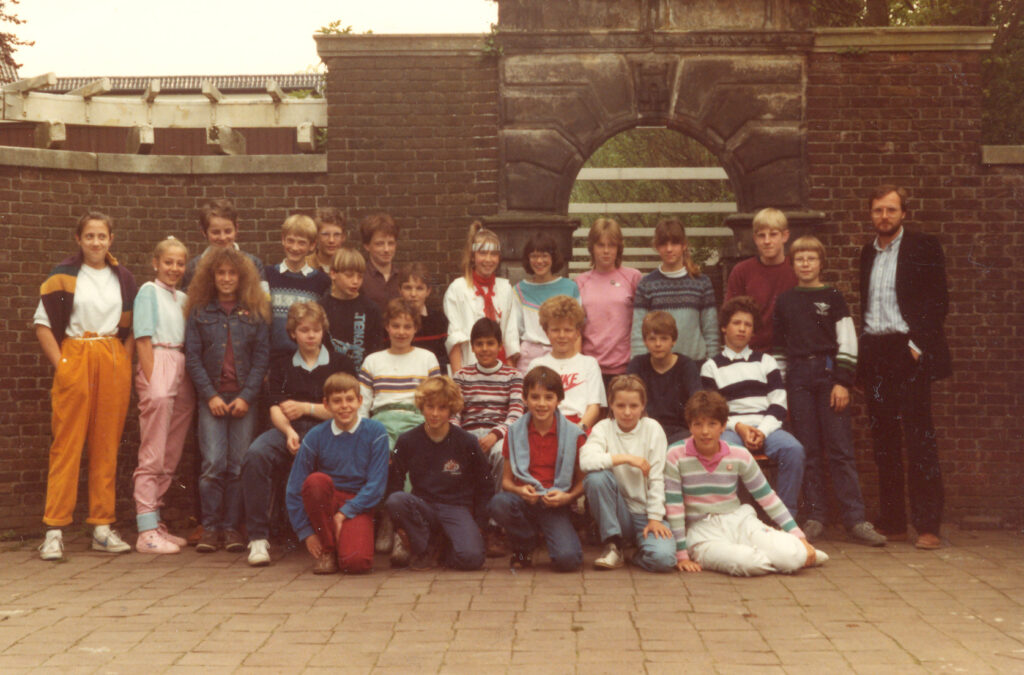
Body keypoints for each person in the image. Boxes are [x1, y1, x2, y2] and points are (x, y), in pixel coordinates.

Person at [34, 212, 137, 560]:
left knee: (106, 444)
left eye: (102, 236)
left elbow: (133, 328)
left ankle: (102, 527)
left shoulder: (123, 278)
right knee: (66, 443)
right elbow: (43, 325)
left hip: (110, 356)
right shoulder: (62, 276)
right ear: (78, 239)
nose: (96, 242)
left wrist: (123, 362)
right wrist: (62, 365)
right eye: (89, 236)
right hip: (76, 353)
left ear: (111, 239)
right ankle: (54, 530)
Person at [773, 236, 886, 547]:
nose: (806, 264)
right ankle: (816, 516)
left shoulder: (833, 297)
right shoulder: (785, 301)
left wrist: (842, 381)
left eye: (811, 258)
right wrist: (781, 391)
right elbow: (779, 348)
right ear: (792, 264)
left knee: (840, 449)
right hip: (797, 378)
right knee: (806, 449)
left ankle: (855, 519)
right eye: (800, 259)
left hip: (828, 375)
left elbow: (847, 339)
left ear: (821, 263)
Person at [858, 186, 950, 550]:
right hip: (876, 354)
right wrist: (864, 363)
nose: (884, 216)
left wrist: (915, 347)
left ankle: (927, 525)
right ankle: (894, 522)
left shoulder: (923, 247)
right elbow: (867, 306)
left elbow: (937, 301)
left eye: (891, 210)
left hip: (908, 352)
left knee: (919, 439)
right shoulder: (867, 253)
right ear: (871, 214)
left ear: (904, 214)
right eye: (878, 210)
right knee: (884, 441)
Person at [240, 302, 355, 566]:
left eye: (316, 330)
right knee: (256, 455)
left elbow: (344, 410)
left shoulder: (340, 363)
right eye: (304, 330)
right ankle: (258, 538)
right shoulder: (281, 365)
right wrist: (289, 431)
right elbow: (275, 407)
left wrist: (306, 408)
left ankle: (331, 534)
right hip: (288, 429)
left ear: (323, 331)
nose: (311, 335)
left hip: (328, 431)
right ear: (293, 333)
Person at [665, 391, 825, 576]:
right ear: (690, 426)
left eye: (712, 424)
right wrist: (682, 555)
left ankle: (791, 552)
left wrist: (798, 535)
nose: (705, 431)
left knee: (791, 558)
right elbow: (674, 507)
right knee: (749, 563)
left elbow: (767, 497)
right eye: (698, 424)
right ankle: (785, 554)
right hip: (702, 531)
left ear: (723, 426)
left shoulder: (739, 454)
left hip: (738, 521)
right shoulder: (675, 454)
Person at [185, 247, 270, 554]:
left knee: (237, 466)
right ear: (211, 277)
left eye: (232, 273)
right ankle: (210, 528)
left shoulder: (255, 312)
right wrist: (210, 396)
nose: (226, 278)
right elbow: (192, 357)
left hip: (243, 400)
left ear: (242, 277)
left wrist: (247, 397)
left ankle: (232, 527)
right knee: (212, 464)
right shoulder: (199, 311)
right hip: (213, 399)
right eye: (220, 273)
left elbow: (261, 358)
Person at [700, 296, 805, 516]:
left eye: (747, 325)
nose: (742, 329)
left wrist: (762, 431)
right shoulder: (711, 367)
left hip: (766, 426)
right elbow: (713, 411)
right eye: (736, 323)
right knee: (728, 451)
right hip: (731, 428)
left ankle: (785, 518)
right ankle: (737, 517)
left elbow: (778, 404)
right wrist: (739, 427)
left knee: (793, 450)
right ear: (724, 327)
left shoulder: (766, 361)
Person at [286, 373, 389, 574]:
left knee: (356, 563)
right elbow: (295, 487)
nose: (344, 406)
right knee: (316, 481)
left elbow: (376, 485)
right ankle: (328, 550)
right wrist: (306, 533)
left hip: (358, 503)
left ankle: (343, 543)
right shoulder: (316, 436)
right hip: (328, 501)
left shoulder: (376, 432)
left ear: (360, 401)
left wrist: (343, 514)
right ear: (326, 404)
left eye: (350, 399)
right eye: (337, 401)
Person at [386, 377, 491, 571]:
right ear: (421, 407)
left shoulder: (467, 441)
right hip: (423, 506)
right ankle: (424, 548)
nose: (435, 414)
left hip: (456, 507)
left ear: (451, 410)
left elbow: (485, 484)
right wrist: (399, 525)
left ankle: (445, 547)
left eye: (442, 408)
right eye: (430, 407)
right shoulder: (407, 441)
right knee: (396, 499)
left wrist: (480, 524)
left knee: (471, 559)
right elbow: (395, 482)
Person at [487, 366, 585, 572]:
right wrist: (520, 490)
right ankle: (524, 545)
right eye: (535, 397)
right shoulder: (514, 432)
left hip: (555, 503)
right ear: (525, 399)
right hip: (524, 501)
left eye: (549, 397)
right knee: (499, 503)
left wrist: (567, 498)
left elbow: (582, 481)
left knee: (568, 561)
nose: (541, 404)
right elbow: (506, 481)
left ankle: (554, 534)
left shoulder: (573, 434)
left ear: (559, 400)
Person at [132, 237, 195, 554]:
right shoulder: (148, 290)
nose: (174, 268)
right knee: (153, 451)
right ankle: (145, 530)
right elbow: (142, 338)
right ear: (156, 263)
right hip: (158, 360)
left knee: (170, 452)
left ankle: (155, 522)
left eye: (180, 263)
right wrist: (153, 379)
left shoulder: (183, 298)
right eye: (168, 262)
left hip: (181, 364)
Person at [579, 375, 676, 572]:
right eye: (620, 405)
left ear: (643, 405)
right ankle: (613, 544)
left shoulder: (652, 429)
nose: (627, 412)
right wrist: (625, 458)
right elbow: (586, 461)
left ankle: (634, 555)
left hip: (644, 513)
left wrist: (655, 518)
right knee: (596, 478)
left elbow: (657, 478)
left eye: (634, 406)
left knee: (664, 560)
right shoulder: (603, 428)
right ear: (611, 405)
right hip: (617, 512)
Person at [358, 298, 443, 450]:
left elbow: (437, 400)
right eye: (395, 326)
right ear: (387, 327)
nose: (401, 332)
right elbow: (362, 406)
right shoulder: (372, 361)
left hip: (417, 423)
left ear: (415, 328)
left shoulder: (427, 359)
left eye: (407, 327)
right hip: (381, 424)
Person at [631, 218, 718, 362]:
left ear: (684, 245)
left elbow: (711, 331)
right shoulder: (647, 285)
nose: (669, 249)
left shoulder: (702, 283)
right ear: (657, 247)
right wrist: (639, 366)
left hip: (696, 364)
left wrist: (712, 366)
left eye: (675, 243)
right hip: (658, 367)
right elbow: (638, 334)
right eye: (663, 244)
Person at [451, 318, 525, 487]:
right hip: (468, 435)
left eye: (490, 343)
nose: (484, 349)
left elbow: (515, 415)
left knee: (502, 453)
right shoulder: (462, 376)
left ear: (500, 346)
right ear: (472, 347)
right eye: (479, 344)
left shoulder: (513, 376)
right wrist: (462, 438)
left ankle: (496, 500)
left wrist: (495, 435)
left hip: (499, 435)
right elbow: (454, 413)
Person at [443, 221, 520, 372]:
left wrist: (512, 376)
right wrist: (459, 378)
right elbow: (455, 338)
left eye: (493, 254)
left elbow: (510, 335)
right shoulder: (458, 288)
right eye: (483, 253)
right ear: (473, 257)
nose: (488, 259)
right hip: (470, 367)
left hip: (500, 367)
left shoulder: (505, 288)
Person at [576, 217, 643, 388]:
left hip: (625, 369)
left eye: (611, 245)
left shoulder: (633, 277)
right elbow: (576, 329)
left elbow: (642, 323)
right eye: (600, 245)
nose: (606, 251)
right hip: (590, 369)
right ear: (591, 247)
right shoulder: (579, 282)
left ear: (619, 248)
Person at [725, 207, 798, 352]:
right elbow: (730, 316)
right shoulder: (741, 271)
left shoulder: (797, 269)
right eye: (761, 236)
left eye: (773, 234)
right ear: (755, 239)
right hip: (751, 351)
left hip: (789, 351)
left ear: (785, 236)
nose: (767, 241)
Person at [531, 295, 606, 432]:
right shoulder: (537, 365)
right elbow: (531, 406)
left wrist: (578, 430)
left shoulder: (589, 364)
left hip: (580, 426)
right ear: (546, 332)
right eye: (555, 330)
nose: (562, 335)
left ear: (577, 333)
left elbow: (594, 407)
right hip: (545, 427)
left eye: (568, 330)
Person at [626, 311, 702, 444]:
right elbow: (628, 399)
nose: (658, 344)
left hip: (680, 431)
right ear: (645, 341)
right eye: (652, 339)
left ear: (673, 340)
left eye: (664, 338)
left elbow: (697, 402)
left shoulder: (686, 366)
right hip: (645, 431)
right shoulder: (637, 365)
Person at [264, 214, 331, 360]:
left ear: (312, 245)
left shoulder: (322, 282)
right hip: (273, 357)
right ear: (283, 239)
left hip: (307, 358)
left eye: (301, 243)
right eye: (290, 241)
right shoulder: (267, 275)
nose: (295, 247)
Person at [512, 231, 580, 373]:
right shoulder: (519, 290)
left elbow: (578, 329)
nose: (539, 261)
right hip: (528, 358)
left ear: (553, 257)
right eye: (534, 256)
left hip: (562, 354)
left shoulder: (570, 287)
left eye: (544, 256)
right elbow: (514, 331)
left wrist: (574, 360)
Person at [321, 245, 384, 370]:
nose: (355, 281)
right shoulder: (321, 308)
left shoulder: (371, 309)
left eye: (360, 276)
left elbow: (377, 351)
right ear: (333, 273)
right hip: (330, 377)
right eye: (349, 275)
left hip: (362, 376)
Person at [181, 198, 265, 291]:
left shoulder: (254, 263)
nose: (223, 238)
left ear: (236, 229)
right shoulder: (193, 268)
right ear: (204, 232)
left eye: (228, 231)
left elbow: (263, 298)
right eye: (216, 232)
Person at [398, 263, 449, 374]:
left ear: (428, 291)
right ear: (399, 290)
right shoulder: (393, 322)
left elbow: (443, 361)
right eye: (408, 288)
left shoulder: (439, 321)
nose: (413, 294)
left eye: (419, 288)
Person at [359, 212, 401, 313]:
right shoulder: (359, 278)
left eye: (391, 243)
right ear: (367, 246)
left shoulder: (402, 277)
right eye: (380, 244)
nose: (386, 249)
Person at [307, 207, 347, 275]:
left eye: (336, 235)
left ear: (343, 237)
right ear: (316, 236)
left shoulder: (349, 265)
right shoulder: (304, 265)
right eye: (325, 234)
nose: (331, 240)